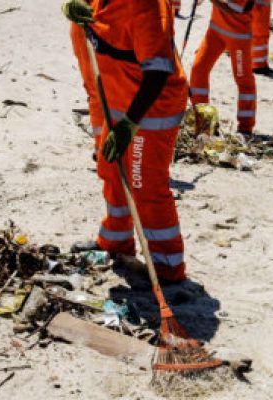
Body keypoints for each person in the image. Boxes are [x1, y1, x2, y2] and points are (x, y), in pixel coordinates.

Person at [63, 0, 190, 282]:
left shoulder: (146, 6)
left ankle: (167, 266)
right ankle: (115, 241)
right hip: (111, 98)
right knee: (110, 169)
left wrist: (130, 124)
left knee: (145, 184)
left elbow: (157, 73)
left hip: (150, 109)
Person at [189, 0, 259, 135]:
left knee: (243, 79)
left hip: (238, 35)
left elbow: (231, 9)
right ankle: (203, 121)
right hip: (216, 29)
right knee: (198, 69)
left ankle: (245, 126)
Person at [250, 0, 273, 76]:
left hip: (263, 7)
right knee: (258, 36)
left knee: (264, 35)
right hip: (258, 8)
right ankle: (256, 65)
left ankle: (262, 64)